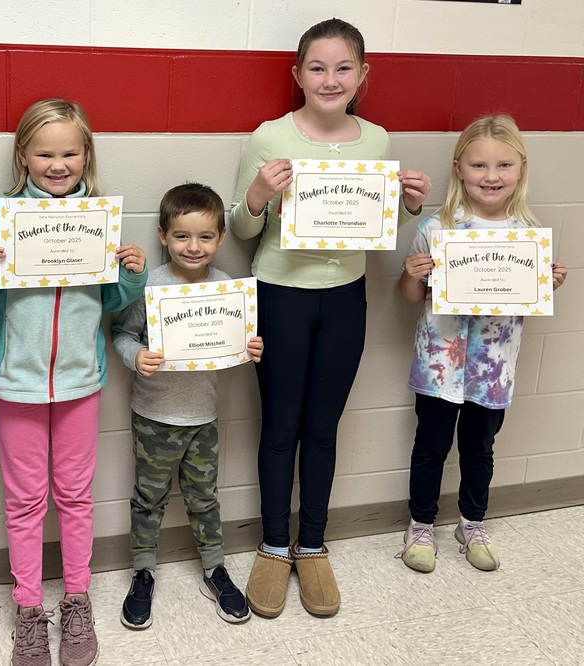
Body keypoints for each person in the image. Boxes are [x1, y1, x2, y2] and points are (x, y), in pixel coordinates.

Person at [228, 18, 431, 619]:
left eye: (343, 68)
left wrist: (409, 207)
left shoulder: (377, 139)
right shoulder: (268, 137)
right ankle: (273, 545)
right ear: (298, 74)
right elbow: (240, 227)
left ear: (363, 75)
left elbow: (375, 224)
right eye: (317, 68)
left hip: (345, 298)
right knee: (279, 426)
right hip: (280, 294)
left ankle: (312, 544)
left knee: (322, 427)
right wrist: (258, 196)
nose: (330, 79)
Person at [0, 98, 147, 666]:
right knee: (24, 501)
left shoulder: (99, 216)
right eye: (44, 154)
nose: (57, 165)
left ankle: (78, 600)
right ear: (23, 155)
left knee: (75, 497)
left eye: (69, 153)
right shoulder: (1, 213)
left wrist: (131, 277)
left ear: (86, 155)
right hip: (16, 382)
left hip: (80, 382)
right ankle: (28, 608)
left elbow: (111, 301)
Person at [396, 115, 568, 574]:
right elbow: (410, 297)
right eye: (479, 165)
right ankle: (421, 524)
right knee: (430, 447)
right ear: (459, 168)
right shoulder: (436, 228)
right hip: (439, 364)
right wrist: (411, 276)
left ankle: (472, 522)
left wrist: (549, 284)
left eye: (503, 165)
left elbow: (530, 301)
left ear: (521, 168)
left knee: (480, 449)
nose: (491, 176)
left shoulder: (528, 235)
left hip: (493, 367)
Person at [112, 183, 264, 630]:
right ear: (163, 235)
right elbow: (122, 334)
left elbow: (236, 344)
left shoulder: (228, 289)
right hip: (154, 417)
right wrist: (135, 356)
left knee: (204, 498)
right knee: (149, 498)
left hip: (204, 417)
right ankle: (143, 571)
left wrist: (249, 348)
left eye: (205, 237)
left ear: (220, 238)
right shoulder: (150, 285)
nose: (193, 246)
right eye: (181, 236)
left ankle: (215, 568)